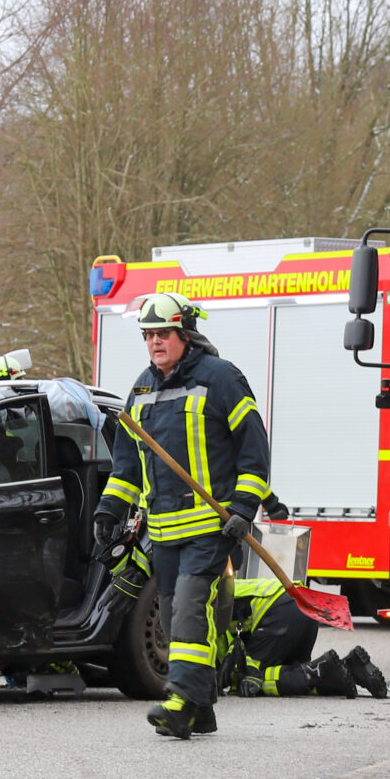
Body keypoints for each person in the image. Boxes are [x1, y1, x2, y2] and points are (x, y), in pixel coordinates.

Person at [97, 292, 270, 739]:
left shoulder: (221, 378)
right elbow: (127, 465)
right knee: (173, 618)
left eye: (164, 334)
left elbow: (254, 449)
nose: (155, 342)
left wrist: (244, 507)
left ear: (185, 334)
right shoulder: (141, 390)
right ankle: (201, 707)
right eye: (148, 335)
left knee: (191, 609)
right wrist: (108, 509)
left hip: (210, 528)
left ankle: (179, 703)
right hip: (163, 533)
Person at [213, 578, 389, 699]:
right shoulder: (219, 589)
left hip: (281, 613)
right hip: (304, 606)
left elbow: (224, 654)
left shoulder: (208, 606)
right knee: (290, 673)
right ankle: (350, 667)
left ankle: (317, 673)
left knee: (246, 680)